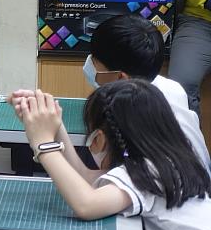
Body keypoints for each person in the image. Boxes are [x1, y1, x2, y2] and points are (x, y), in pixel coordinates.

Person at [17, 82, 211, 230]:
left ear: (100, 137)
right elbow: (84, 178)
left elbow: (86, 205)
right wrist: (55, 126)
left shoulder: (145, 172)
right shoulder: (167, 160)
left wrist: (43, 145)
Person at [15, 14, 210, 172]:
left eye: (95, 61)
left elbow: (89, 196)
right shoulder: (169, 88)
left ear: (121, 78)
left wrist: (42, 141)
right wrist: (55, 123)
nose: (89, 64)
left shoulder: (131, 116)